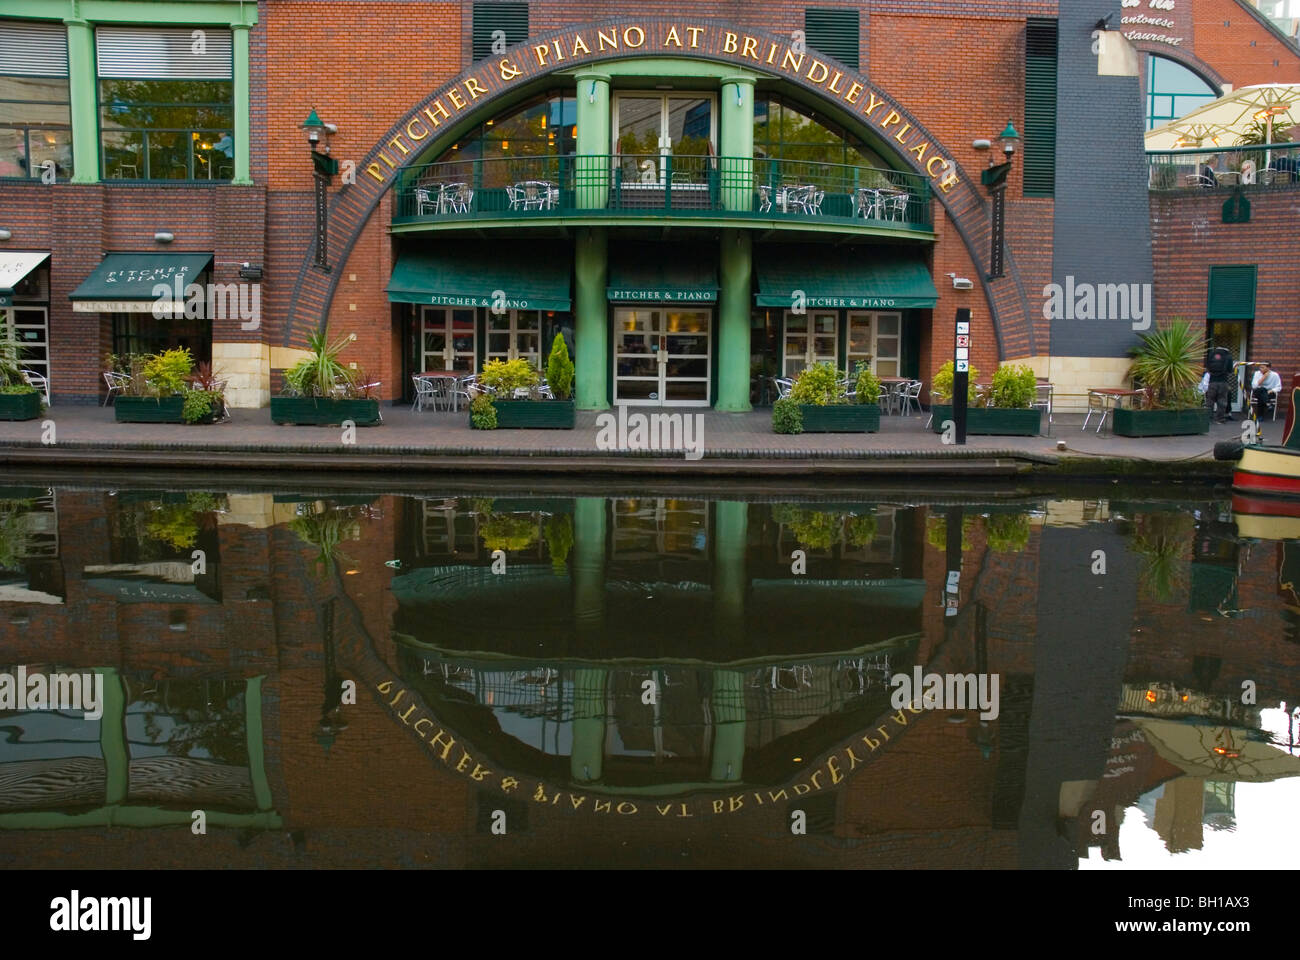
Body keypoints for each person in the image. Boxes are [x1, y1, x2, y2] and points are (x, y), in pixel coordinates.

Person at [1205, 345, 1234, 423]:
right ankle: (1220, 419)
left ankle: (1208, 419)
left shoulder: (1211, 354)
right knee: (1222, 401)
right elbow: (1230, 369)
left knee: (1209, 400)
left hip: (1212, 381)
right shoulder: (1228, 356)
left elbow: (1207, 367)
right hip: (1223, 381)